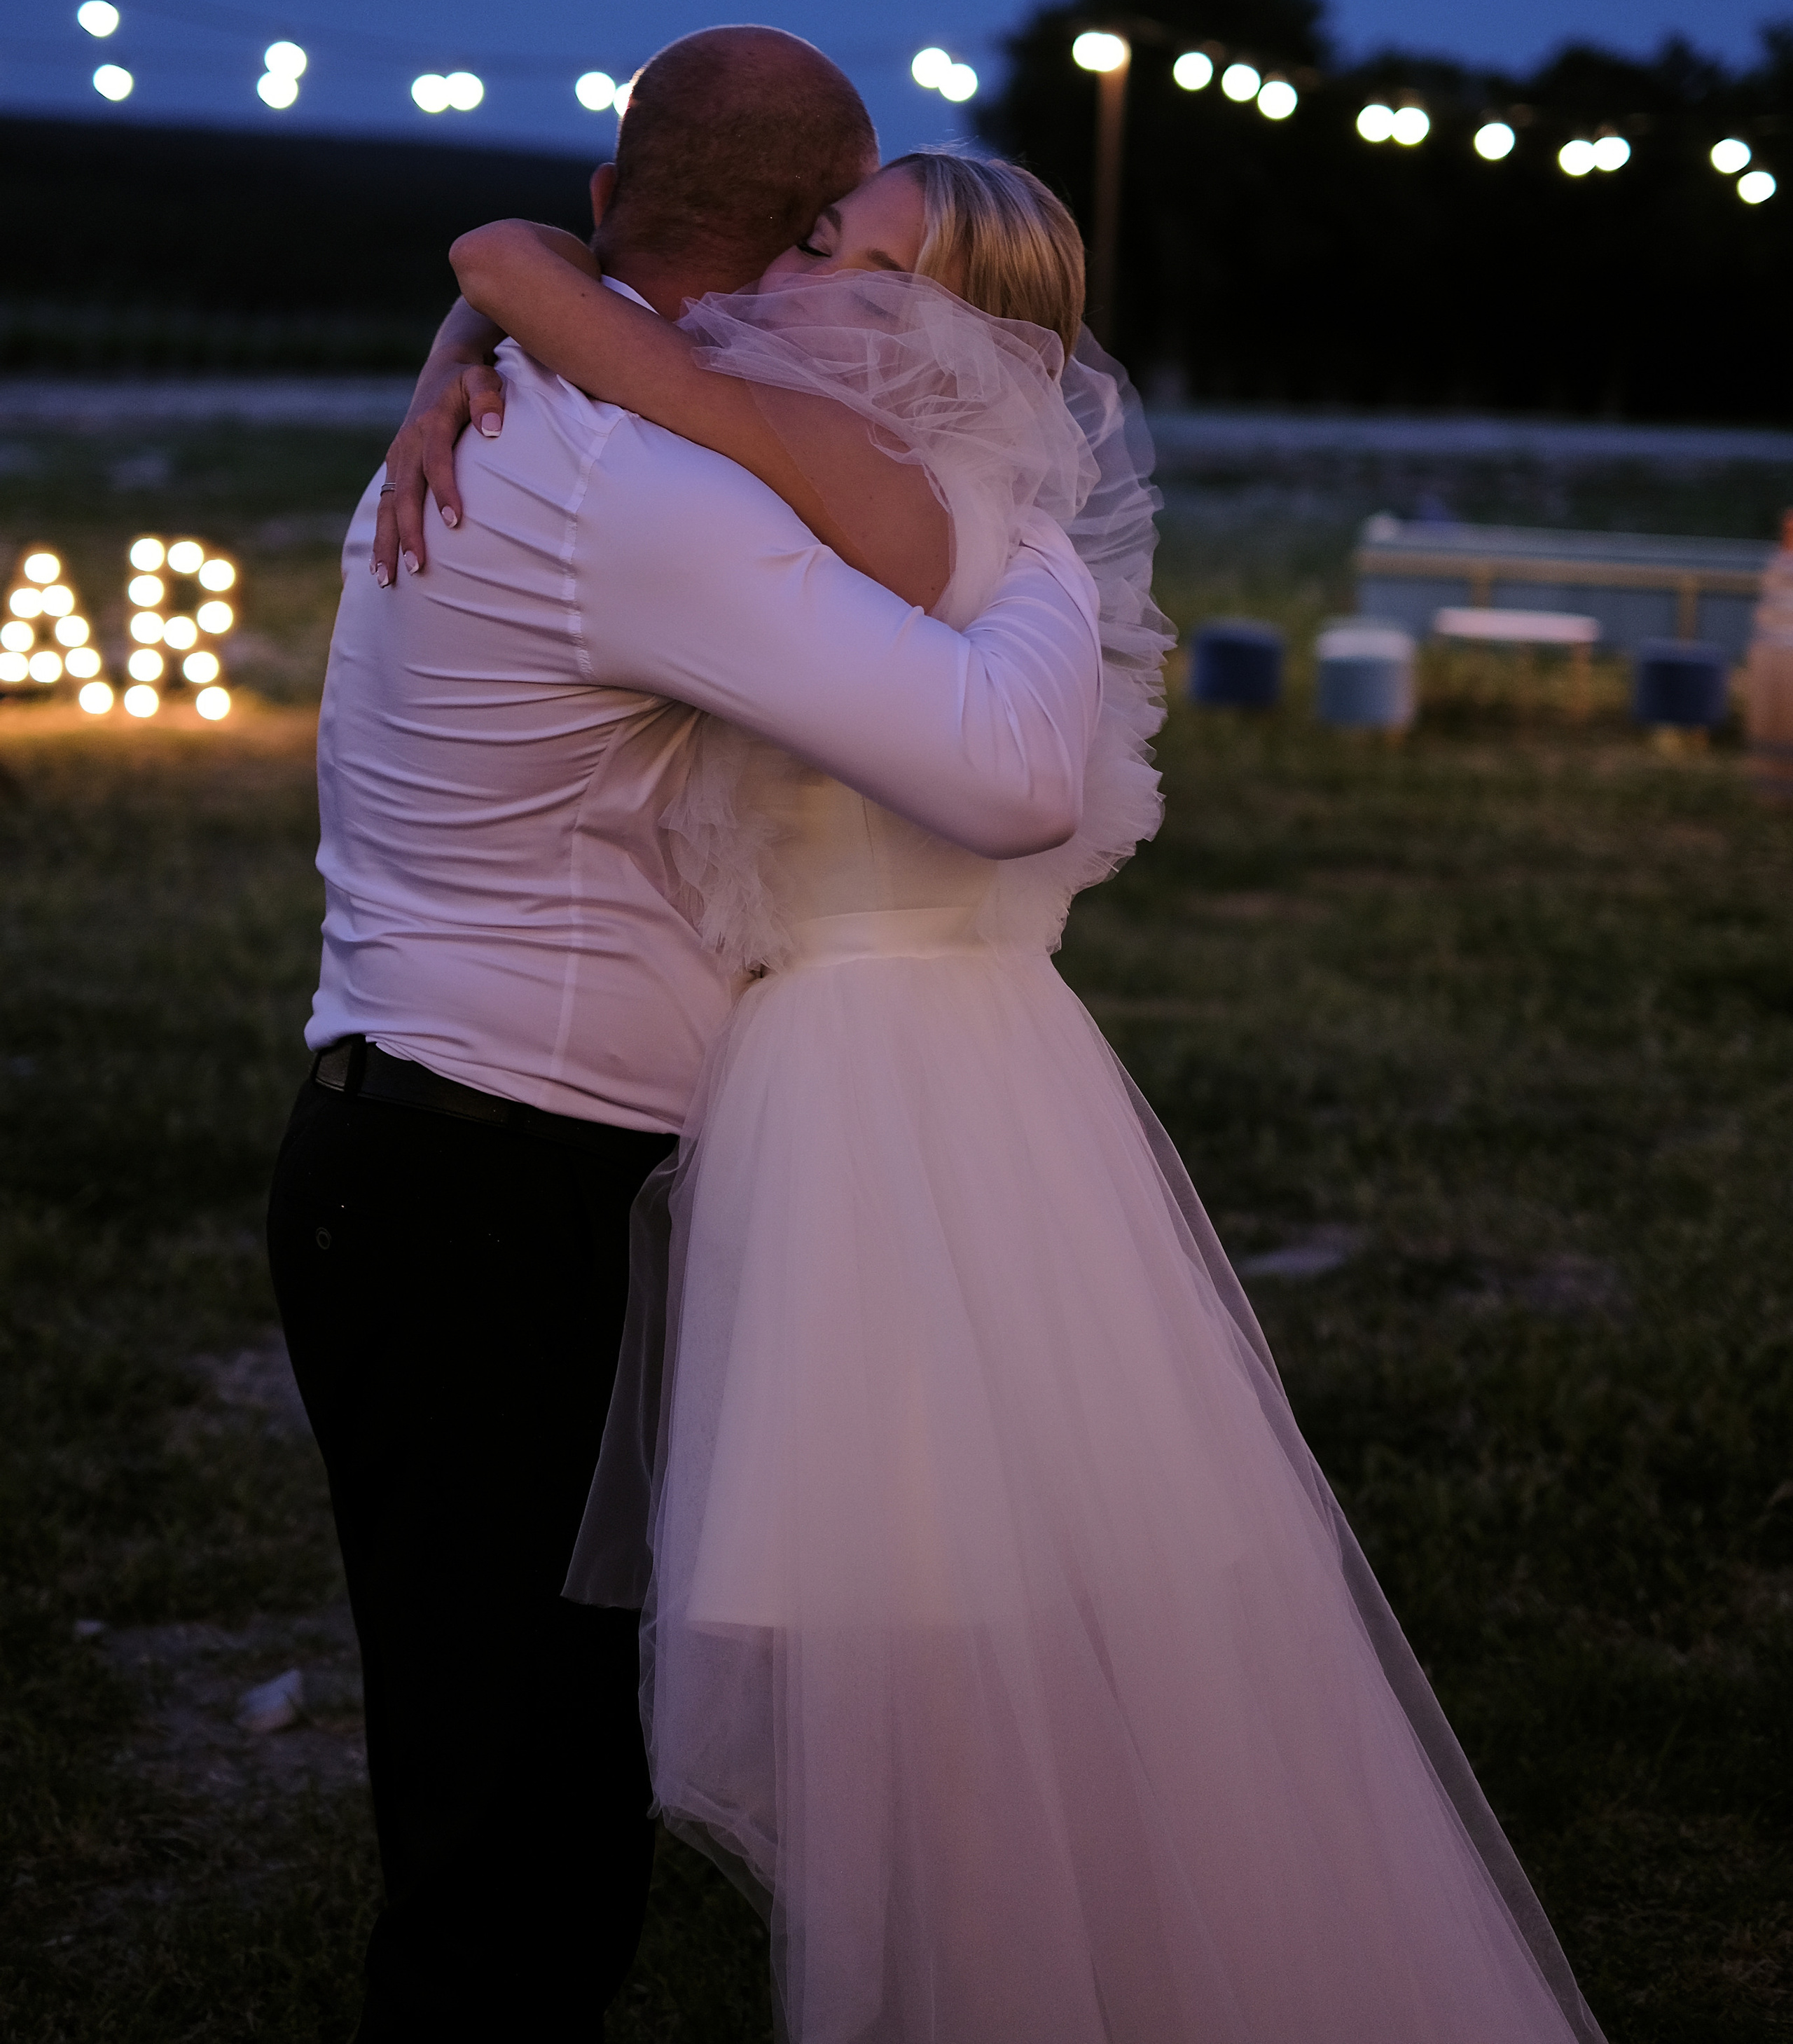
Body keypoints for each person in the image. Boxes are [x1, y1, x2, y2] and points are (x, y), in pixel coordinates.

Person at [431, 152, 1607, 2044]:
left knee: (944, 1635)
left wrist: (477, 300)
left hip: (884, 1100)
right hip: (961, 1076)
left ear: (956, 332)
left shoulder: (889, 505)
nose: (792, 268)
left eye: (850, 253)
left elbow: (543, 269)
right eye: (814, 231)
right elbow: (585, 298)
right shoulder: (889, 488)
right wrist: (450, 360)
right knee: (973, 1618)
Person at [266, 29, 1105, 2044]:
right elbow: (1006, 768)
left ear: (610, 214)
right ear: (777, 258)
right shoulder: (645, 483)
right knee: (513, 1831)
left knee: (530, 1771)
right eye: (837, 225)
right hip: (487, 1197)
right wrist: (1044, 535)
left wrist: (480, 306)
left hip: (451, 1162)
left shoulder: (561, 402)